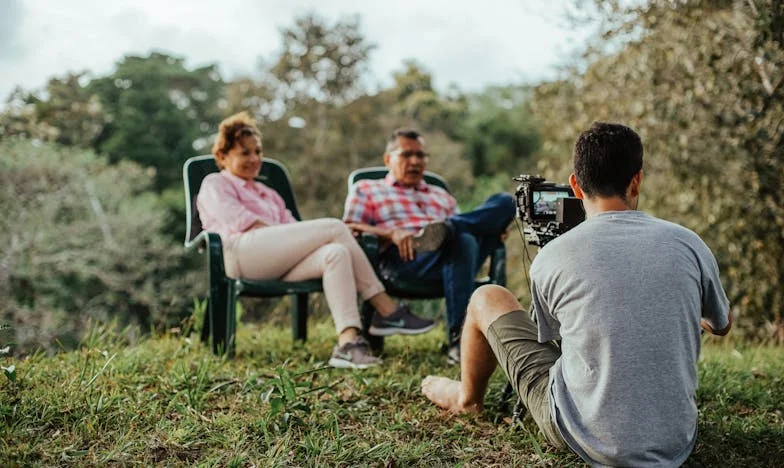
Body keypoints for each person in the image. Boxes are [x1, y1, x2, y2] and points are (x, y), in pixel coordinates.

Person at [421, 122, 732, 466]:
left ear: (575, 185)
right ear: (637, 180)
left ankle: (466, 400)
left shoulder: (553, 256)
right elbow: (721, 325)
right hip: (675, 440)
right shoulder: (689, 243)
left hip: (581, 435)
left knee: (487, 297)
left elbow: (552, 342)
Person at [196, 112, 435, 370]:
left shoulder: (269, 194)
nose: (255, 159)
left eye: (258, 151)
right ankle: (386, 309)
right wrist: (294, 238)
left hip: (279, 260)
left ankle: (348, 342)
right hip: (240, 256)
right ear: (222, 156)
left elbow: (291, 230)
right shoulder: (215, 183)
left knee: (335, 253)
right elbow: (246, 224)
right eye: (245, 153)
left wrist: (293, 239)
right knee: (334, 227)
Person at [342, 129, 516, 364]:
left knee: (505, 202)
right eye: (407, 155)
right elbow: (348, 229)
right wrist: (389, 233)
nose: (415, 161)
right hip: (405, 259)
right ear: (388, 159)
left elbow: (467, 231)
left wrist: (490, 231)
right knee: (462, 238)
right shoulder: (367, 189)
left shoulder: (440, 194)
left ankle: (447, 228)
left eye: (421, 156)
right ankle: (459, 341)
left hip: (452, 255)